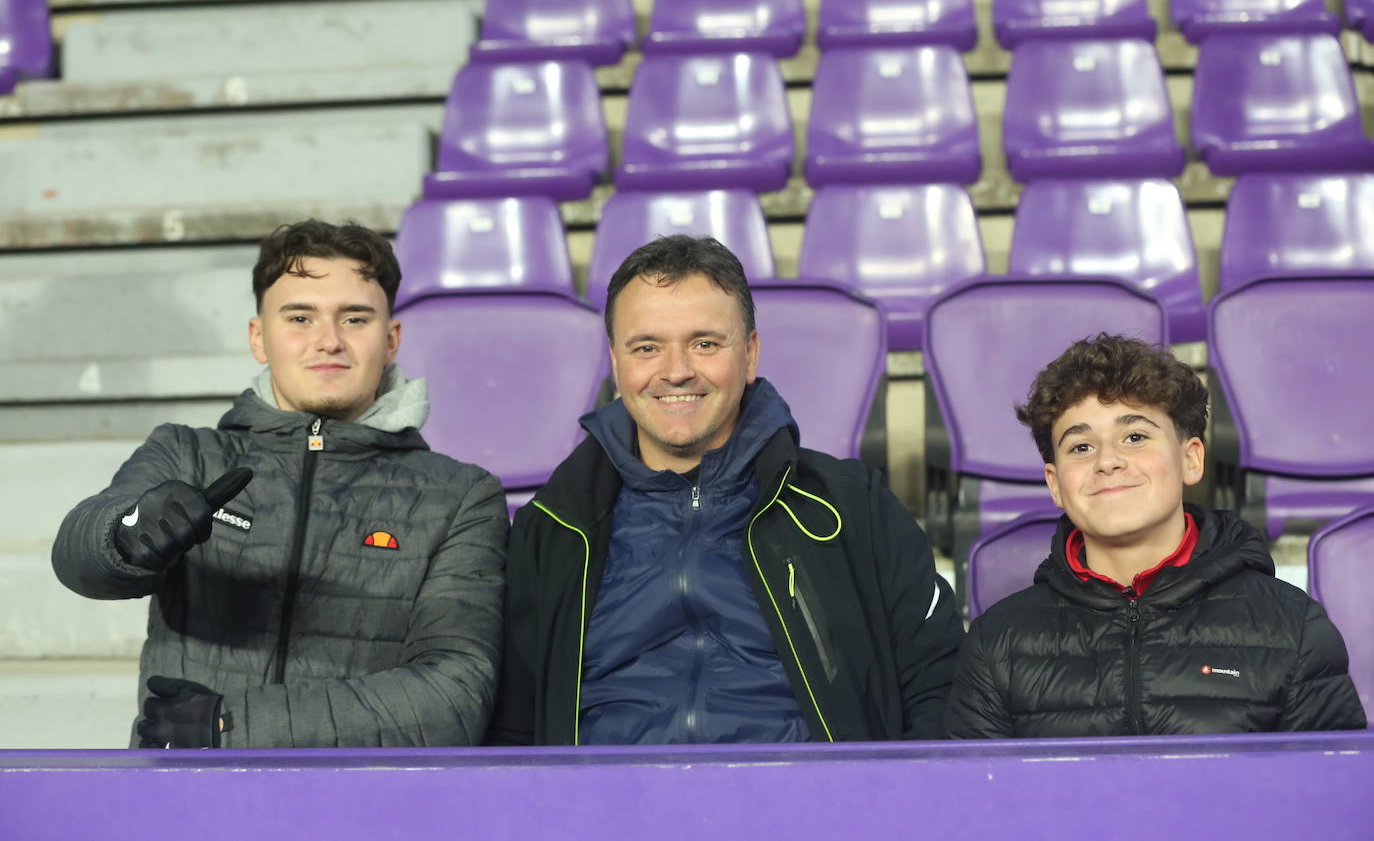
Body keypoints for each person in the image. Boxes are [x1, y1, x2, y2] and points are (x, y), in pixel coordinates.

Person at [489, 235, 962, 745]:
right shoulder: (555, 527)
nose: (676, 371)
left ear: (751, 354)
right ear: (616, 363)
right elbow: (513, 728)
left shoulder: (853, 509)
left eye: (705, 344)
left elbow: (937, 688)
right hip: (613, 814)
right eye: (646, 347)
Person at [52, 219, 507, 748]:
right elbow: (79, 561)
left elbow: (456, 693)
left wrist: (231, 726)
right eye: (300, 317)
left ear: (391, 340)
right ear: (258, 338)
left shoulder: (462, 496)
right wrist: (125, 535)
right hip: (190, 804)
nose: (328, 341)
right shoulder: (186, 453)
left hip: (364, 813)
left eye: (354, 318)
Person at [945, 334, 1366, 738]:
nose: (1108, 460)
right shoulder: (996, 643)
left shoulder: (1292, 627)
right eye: (1081, 447)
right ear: (1055, 485)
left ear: (1191, 459)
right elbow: (975, 804)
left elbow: (1327, 795)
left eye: (1135, 437)